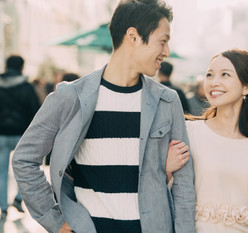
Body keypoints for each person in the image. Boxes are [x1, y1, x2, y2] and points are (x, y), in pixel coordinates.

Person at [12, 1, 195, 233]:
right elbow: (24, 159)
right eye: (163, 41)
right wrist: (54, 220)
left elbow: (184, 187)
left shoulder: (167, 101)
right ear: (133, 36)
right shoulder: (71, 97)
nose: (166, 52)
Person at [165, 49, 248, 232]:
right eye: (209, 75)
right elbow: (160, 193)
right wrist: (166, 169)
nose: (214, 82)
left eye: (225, 75)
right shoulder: (188, 131)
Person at [0, 55, 41, 220]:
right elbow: (36, 112)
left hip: (1, 135)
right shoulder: (26, 87)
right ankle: (18, 198)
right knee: (26, 169)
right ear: (22, 68)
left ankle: (3, 208)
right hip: (22, 135)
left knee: (1, 172)